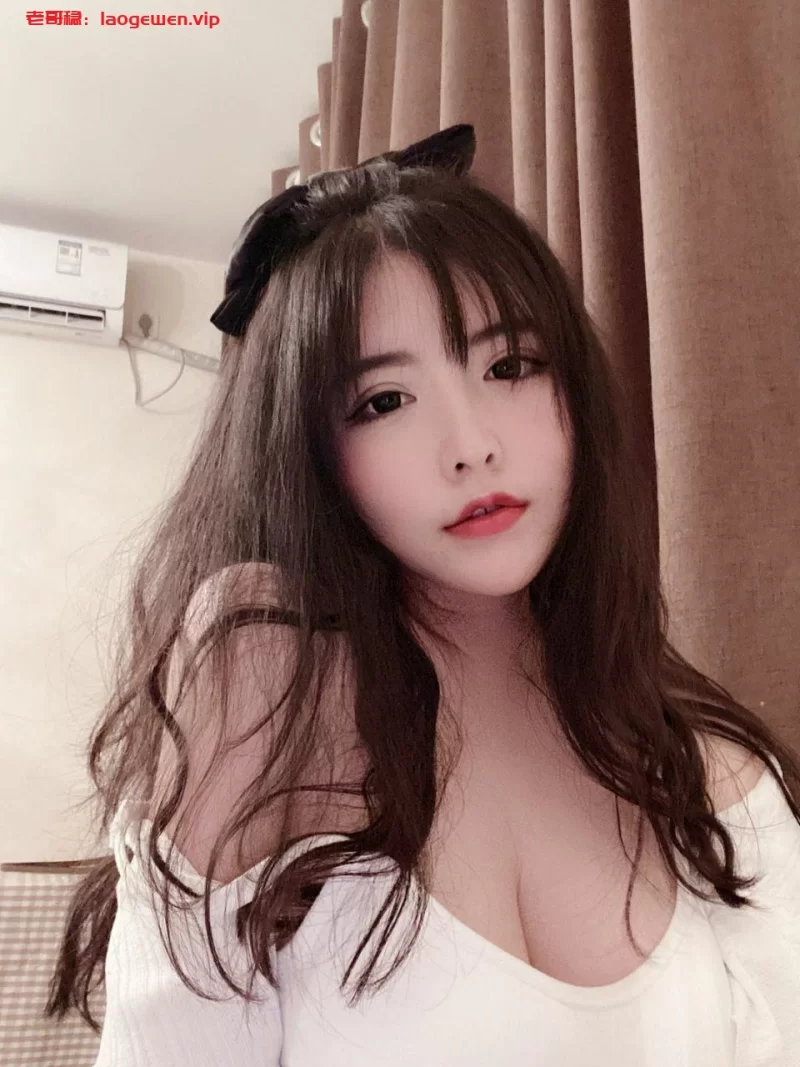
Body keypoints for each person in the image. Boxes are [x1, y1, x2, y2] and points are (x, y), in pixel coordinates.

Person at [49, 125, 800, 1065]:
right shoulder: (267, 706)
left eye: (509, 366)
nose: (471, 443)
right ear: (310, 453)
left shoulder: (707, 773)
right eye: (384, 402)